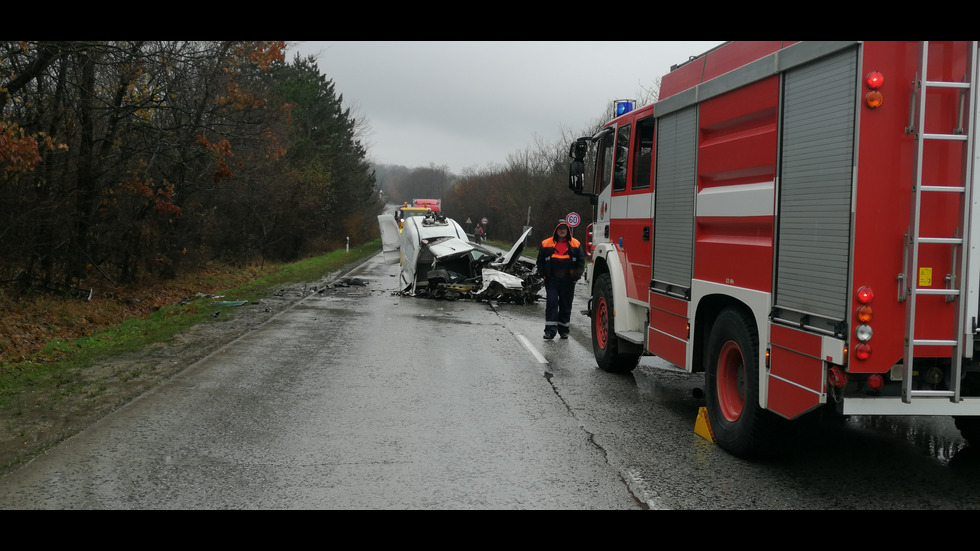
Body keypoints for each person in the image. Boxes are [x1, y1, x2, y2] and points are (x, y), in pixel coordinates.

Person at [536, 220, 584, 339]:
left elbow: (581, 262)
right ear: (556, 230)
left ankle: (564, 330)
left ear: (568, 230)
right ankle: (550, 331)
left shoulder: (576, 244)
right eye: (560, 229)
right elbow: (540, 261)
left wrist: (576, 277)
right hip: (551, 280)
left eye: (564, 229)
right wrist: (544, 275)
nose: (562, 231)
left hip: (568, 281)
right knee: (551, 303)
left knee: (565, 305)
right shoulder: (546, 243)